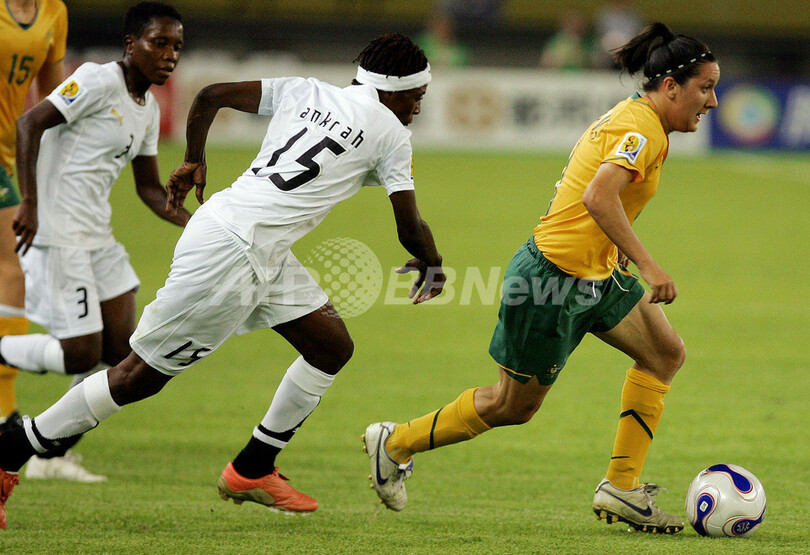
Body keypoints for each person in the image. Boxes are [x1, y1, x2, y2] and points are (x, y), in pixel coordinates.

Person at [0, 32, 445, 526]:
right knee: (135, 378)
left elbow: (210, 96)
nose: (418, 109)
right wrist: (433, 261)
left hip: (248, 238)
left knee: (330, 346)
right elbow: (409, 224)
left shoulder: (307, 89)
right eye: (417, 97)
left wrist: (193, 158)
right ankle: (10, 450)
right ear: (394, 90)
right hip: (233, 255)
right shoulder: (391, 133)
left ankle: (253, 468)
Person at [363, 22, 719, 535]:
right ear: (670, 87)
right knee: (511, 405)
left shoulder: (642, 123)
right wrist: (647, 263)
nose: (710, 101)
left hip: (595, 273)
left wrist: (615, 256)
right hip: (551, 281)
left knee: (665, 353)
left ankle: (621, 487)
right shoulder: (641, 130)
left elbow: (593, 199)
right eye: (704, 87)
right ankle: (394, 442)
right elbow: (599, 197)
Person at [0, 1, 187, 487]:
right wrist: (31, 204)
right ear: (131, 44)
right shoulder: (98, 80)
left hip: (97, 237)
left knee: (127, 353)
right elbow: (29, 123)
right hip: (58, 234)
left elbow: (148, 189)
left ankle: (49, 451)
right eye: (159, 43)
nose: (169, 55)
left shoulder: (144, 108)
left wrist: (200, 223)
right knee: (81, 355)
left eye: (176, 47)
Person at [0, 0, 67, 440]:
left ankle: (4, 414)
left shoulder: (53, 11)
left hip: (9, 155)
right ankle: (5, 417)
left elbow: (53, 99)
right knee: (12, 267)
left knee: (13, 270)